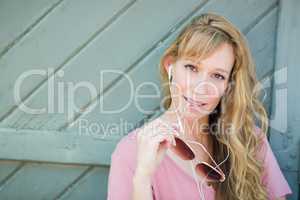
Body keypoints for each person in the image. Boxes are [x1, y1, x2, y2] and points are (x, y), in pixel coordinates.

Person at [107, 13, 292, 200]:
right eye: (192, 68)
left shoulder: (249, 140)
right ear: (170, 66)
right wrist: (143, 177)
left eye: (217, 76)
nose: (201, 87)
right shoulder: (131, 152)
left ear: (228, 85)